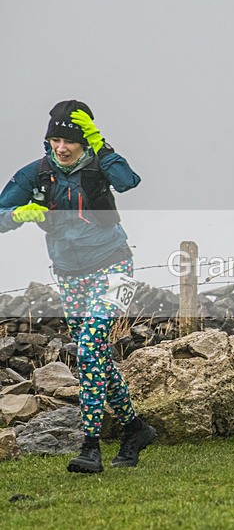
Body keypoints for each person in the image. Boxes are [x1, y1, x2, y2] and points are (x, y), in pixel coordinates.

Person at [0, 100, 155, 473]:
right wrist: (18, 214)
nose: (61, 148)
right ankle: (135, 429)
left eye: (69, 140)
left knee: (87, 350)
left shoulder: (101, 164)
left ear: (84, 141)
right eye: (55, 140)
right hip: (70, 277)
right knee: (95, 353)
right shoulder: (36, 174)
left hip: (116, 269)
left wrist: (101, 143)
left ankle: (90, 447)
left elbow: (129, 181)